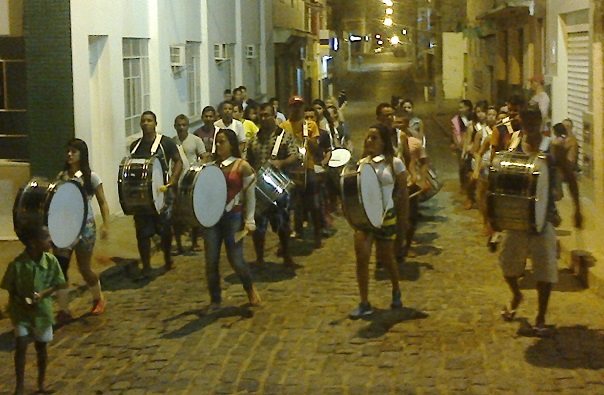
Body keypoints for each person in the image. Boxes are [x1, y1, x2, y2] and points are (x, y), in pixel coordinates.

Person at [498, 105, 582, 336]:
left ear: (541, 120)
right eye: (526, 118)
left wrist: (577, 208)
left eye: (535, 118)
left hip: (543, 219)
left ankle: (540, 317)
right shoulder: (514, 145)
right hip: (516, 219)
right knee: (508, 267)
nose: (531, 123)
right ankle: (516, 294)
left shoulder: (552, 148)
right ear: (521, 120)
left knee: (545, 271)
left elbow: (570, 177)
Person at [349, 124, 408, 319]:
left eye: (374, 138)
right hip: (365, 219)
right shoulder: (362, 163)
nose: (369, 141)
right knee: (362, 258)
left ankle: (396, 288)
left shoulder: (395, 163)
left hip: (386, 217)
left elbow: (402, 190)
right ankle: (364, 301)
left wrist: (401, 219)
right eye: (368, 137)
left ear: (384, 141)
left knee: (386, 257)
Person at [1, 224, 67, 395]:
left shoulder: (51, 261)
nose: (50, 240)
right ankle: (19, 386)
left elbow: (59, 283)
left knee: (41, 347)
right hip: (21, 311)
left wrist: (43, 294)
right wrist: (20, 299)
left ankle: (41, 383)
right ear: (32, 243)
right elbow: (10, 287)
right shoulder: (17, 264)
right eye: (46, 237)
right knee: (21, 344)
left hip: (42, 311)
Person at [52, 138, 110, 324]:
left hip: (85, 226)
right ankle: (63, 309)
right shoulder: (62, 176)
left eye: (74, 151)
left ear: (81, 155)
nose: (69, 154)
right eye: (68, 151)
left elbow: (102, 201)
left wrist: (106, 224)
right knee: (60, 268)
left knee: (84, 267)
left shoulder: (91, 177)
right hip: (64, 226)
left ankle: (98, 297)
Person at [203, 129, 260, 312]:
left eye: (222, 142)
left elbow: (250, 194)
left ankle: (249, 287)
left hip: (233, 216)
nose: (218, 145)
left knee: (235, 258)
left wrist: (250, 219)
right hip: (213, 217)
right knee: (211, 259)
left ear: (231, 144)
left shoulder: (242, 166)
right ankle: (215, 299)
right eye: (217, 142)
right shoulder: (212, 166)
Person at [130, 111, 183, 277]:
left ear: (155, 123)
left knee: (165, 228)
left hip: (162, 193)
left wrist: (173, 179)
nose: (146, 123)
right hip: (142, 195)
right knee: (142, 231)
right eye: (143, 121)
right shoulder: (135, 146)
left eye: (149, 120)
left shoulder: (165, 143)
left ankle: (168, 258)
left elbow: (178, 161)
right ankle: (146, 265)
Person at [246, 103, 299, 266]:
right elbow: (248, 161)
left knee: (283, 223)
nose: (263, 118)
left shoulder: (284, 136)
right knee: (259, 226)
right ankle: (260, 258)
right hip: (260, 190)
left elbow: (295, 155)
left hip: (279, 188)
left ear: (274, 116)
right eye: (260, 115)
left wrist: (282, 162)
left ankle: (287, 255)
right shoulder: (254, 139)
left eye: (266, 115)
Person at [280, 95, 324, 248]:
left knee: (313, 203)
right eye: (294, 106)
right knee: (293, 203)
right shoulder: (284, 126)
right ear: (289, 108)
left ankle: (317, 233)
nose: (297, 109)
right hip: (291, 169)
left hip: (308, 166)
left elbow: (316, 148)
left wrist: (308, 139)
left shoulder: (310, 125)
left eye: (299, 106)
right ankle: (297, 230)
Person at [172, 114, 206, 255]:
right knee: (177, 214)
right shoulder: (171, 142)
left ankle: (194, 242)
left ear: (188, 126)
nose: (181, 127)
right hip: (176, 181)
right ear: (174, 126)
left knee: (193, 211)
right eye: (178, 125)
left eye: (184, 125)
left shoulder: (196, 140)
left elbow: (204, 157)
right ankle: (179, 244)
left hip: (192, 181)